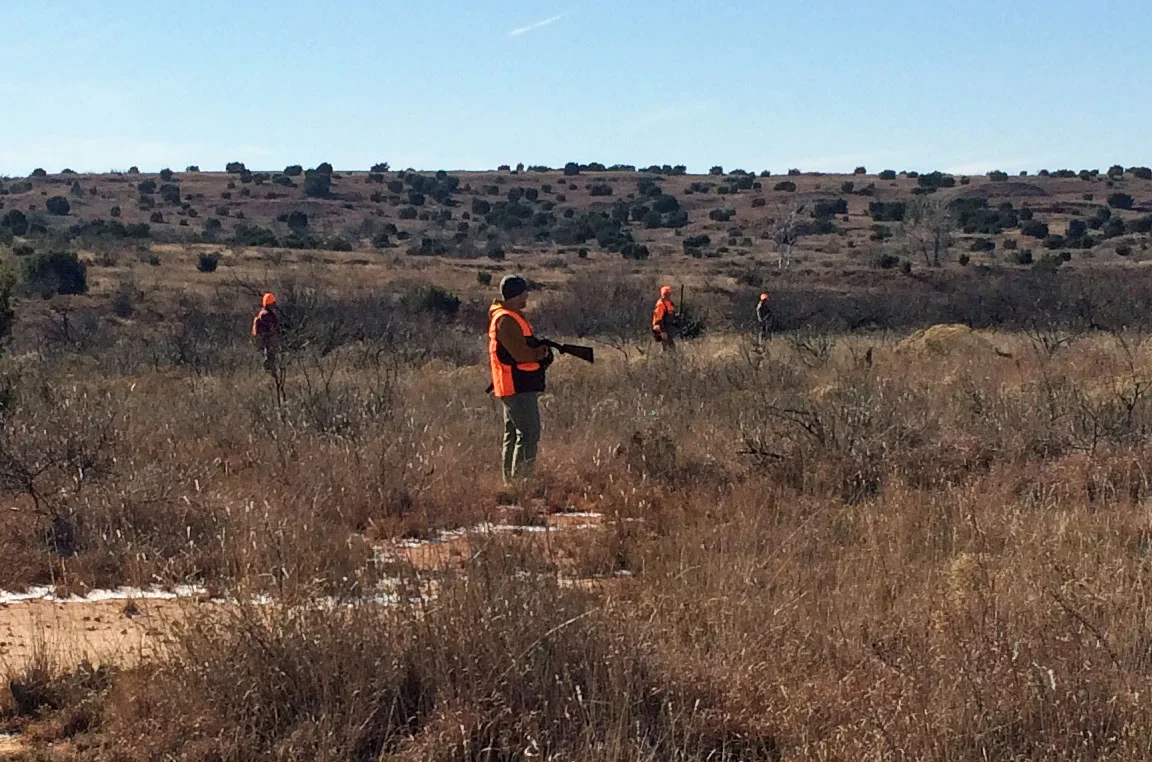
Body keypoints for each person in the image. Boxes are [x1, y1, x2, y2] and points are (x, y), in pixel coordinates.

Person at [489, 275, 553, 483]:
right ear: (516, 294)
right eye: (524, 292)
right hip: (517, 384)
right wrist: (541, 353)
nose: (527, 295)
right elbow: (520, 354)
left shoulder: (508, 316)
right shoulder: (506, 320)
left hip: (514, 384)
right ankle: (520, 483)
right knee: (529, 433)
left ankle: (511, 484)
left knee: (514, 435)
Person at [251, 292, 280, 373]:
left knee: (268, 357)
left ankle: (269, 375)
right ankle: (269, 375)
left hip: (265, 340)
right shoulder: (267, 315)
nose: (274, 305)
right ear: (269, 304)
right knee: (269, 359)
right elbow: (272, 328)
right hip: (268, 341)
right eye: (273, 303)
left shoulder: (263, 313)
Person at [652, 285, 677, 351]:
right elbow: (658, 319)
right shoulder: (661, 304)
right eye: (667, 294)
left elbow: (671, 315)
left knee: (670, 346)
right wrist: (663, 332)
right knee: (667, 347)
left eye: (669, 293)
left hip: (669, 328)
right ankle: (662, 359)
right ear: (664, 294)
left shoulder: (670, 303)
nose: (669, 295)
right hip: (662, 328)